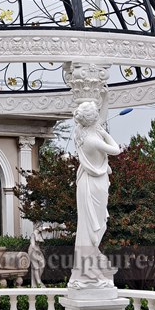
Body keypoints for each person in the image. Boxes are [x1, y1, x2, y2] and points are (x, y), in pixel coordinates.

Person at [68, 101, 122, 289]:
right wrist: (105, 133)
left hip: (86, 183)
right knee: (95, 227)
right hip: (96, 185)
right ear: (93, 120)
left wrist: (105, 97)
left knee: (88, 227)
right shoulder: (93, 140)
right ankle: (88, 269)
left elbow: (101, 116)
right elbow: (116, 149)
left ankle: (87, 264)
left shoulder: (79, 133)